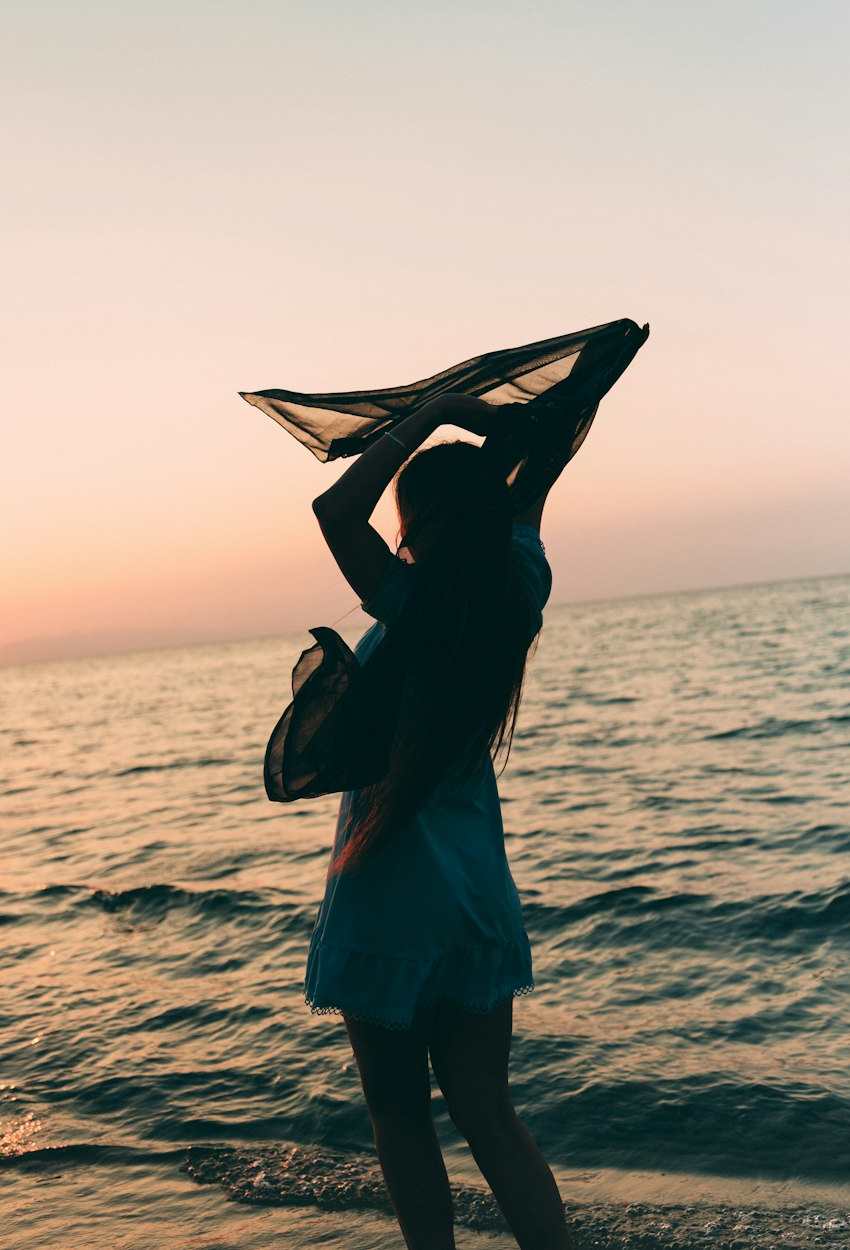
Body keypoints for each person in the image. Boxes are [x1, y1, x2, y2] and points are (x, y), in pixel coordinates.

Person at [303, 391, 576, 1250]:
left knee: (398, 1114)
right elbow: (537, 479)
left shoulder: (408, 604)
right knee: (491, 1116)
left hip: (389, 893)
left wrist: (433, 413)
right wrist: (554, 413)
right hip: (474, 899)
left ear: (417, 521)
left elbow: (332, 507)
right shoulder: (518, 589)